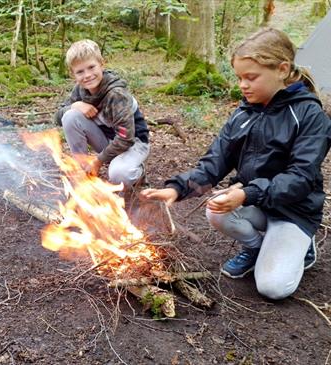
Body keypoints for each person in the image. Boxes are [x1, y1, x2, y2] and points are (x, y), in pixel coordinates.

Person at [140, 27, 331, 300]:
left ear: (282, 69)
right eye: (240, 77)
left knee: (273, 288)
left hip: (294, 211)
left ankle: (303, 245)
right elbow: (215, 162)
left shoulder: (309, 116)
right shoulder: (244, 113)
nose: (242, 85)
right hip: (257, 202)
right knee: (216, 209)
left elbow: (300, 179)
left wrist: (245, 194)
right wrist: (176, 189)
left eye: (251, 77)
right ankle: (256, 247)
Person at [54, 39, 150, 190]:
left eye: (91, 67)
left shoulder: (116, 95)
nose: (87, 75)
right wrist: (76, 105)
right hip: (109, 140)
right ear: (73, 74)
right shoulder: (80, 90)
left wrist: (98, 161)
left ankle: (139, 173)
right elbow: (58, 117)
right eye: (80, 71)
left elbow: (126, 139)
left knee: (119, 175)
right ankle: (83, 174)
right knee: (70, 116)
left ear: (101, 64)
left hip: (133, 143)